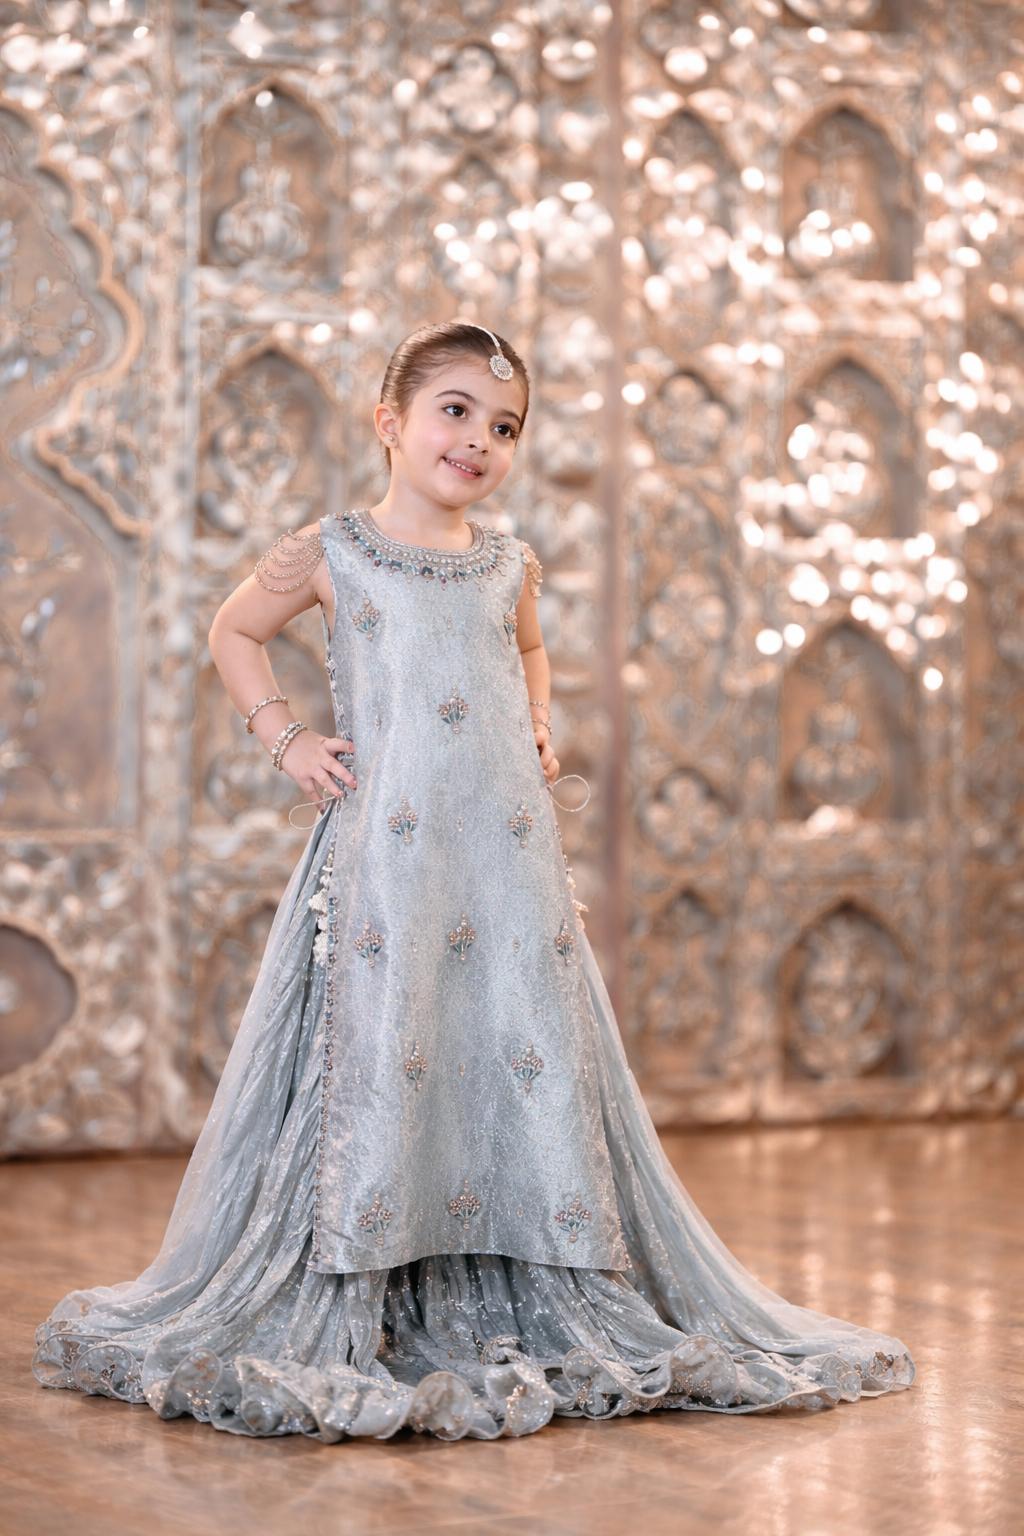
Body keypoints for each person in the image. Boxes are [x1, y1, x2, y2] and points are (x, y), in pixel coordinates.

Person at [32, 321, 913, 1441]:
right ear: (389, 421)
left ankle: (535, 1264)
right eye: (454, 412)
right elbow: (232, 629)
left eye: (504, 426)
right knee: (392, 1039)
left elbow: (528, 651)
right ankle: (371, 1268)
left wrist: (539, 720)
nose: (479, 441)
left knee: (515, 1035)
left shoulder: (507, 563)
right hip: (389, 858)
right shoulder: (334, 550)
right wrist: (286, 739)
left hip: (503, 853)